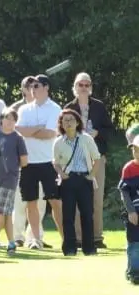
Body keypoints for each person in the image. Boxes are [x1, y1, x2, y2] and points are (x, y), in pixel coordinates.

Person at [64, 72, 113, 249]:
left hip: (96, 158)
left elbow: (109, 129)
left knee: (96, 199)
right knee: (76, 198)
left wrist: (97, 133)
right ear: (75, 88)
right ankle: (78, 238)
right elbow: (62, 132)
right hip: (75, 159)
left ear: (91, 87)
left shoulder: (99, 107)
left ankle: (96, 237)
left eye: (87, 85)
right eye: (80, 85)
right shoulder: (69, 107)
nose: (83, 88)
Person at [16, 74, 63, 249]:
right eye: (31, 87)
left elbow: (50, 133)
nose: (32, 89)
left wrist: (30, 131)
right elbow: (19, 130)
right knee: (31, 201)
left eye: (36, 86)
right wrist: (37, 128)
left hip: (49, 161)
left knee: (55, 201)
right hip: (28, 162)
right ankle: (34, 239)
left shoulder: (54, 108)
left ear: (46, 87)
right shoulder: (24, 110)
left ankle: (67, 239)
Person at [53, 109, 100, 256]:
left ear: (78, 122)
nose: (68, 123)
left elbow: (96, 158)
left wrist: (91, 175)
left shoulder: (86, 139)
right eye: (65, 120)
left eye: (71, 120)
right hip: (68, 180)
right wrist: (61, 174)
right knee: (68, 215)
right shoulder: (59, 142)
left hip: (84, 179)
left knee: (87, 214)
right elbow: (55, 161)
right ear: (61, 123)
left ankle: (89, 248)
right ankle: (69, 248)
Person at [0, 109, 27, 254]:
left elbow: (24, 161)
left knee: (0, 211)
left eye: (12, 119)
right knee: (7, 213)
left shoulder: (18, 138)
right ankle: (11, 243)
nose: (9, 121)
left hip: (9, 179)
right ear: (1, 120)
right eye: (6, 118)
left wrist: (11, 166)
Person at [119, 124, 139, 285]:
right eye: (134, 149)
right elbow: (124, 192)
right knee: (134, 244)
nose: (136, 153)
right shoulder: (129, 169)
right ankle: (134, 273)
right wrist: (131, 211)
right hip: (134, 214)